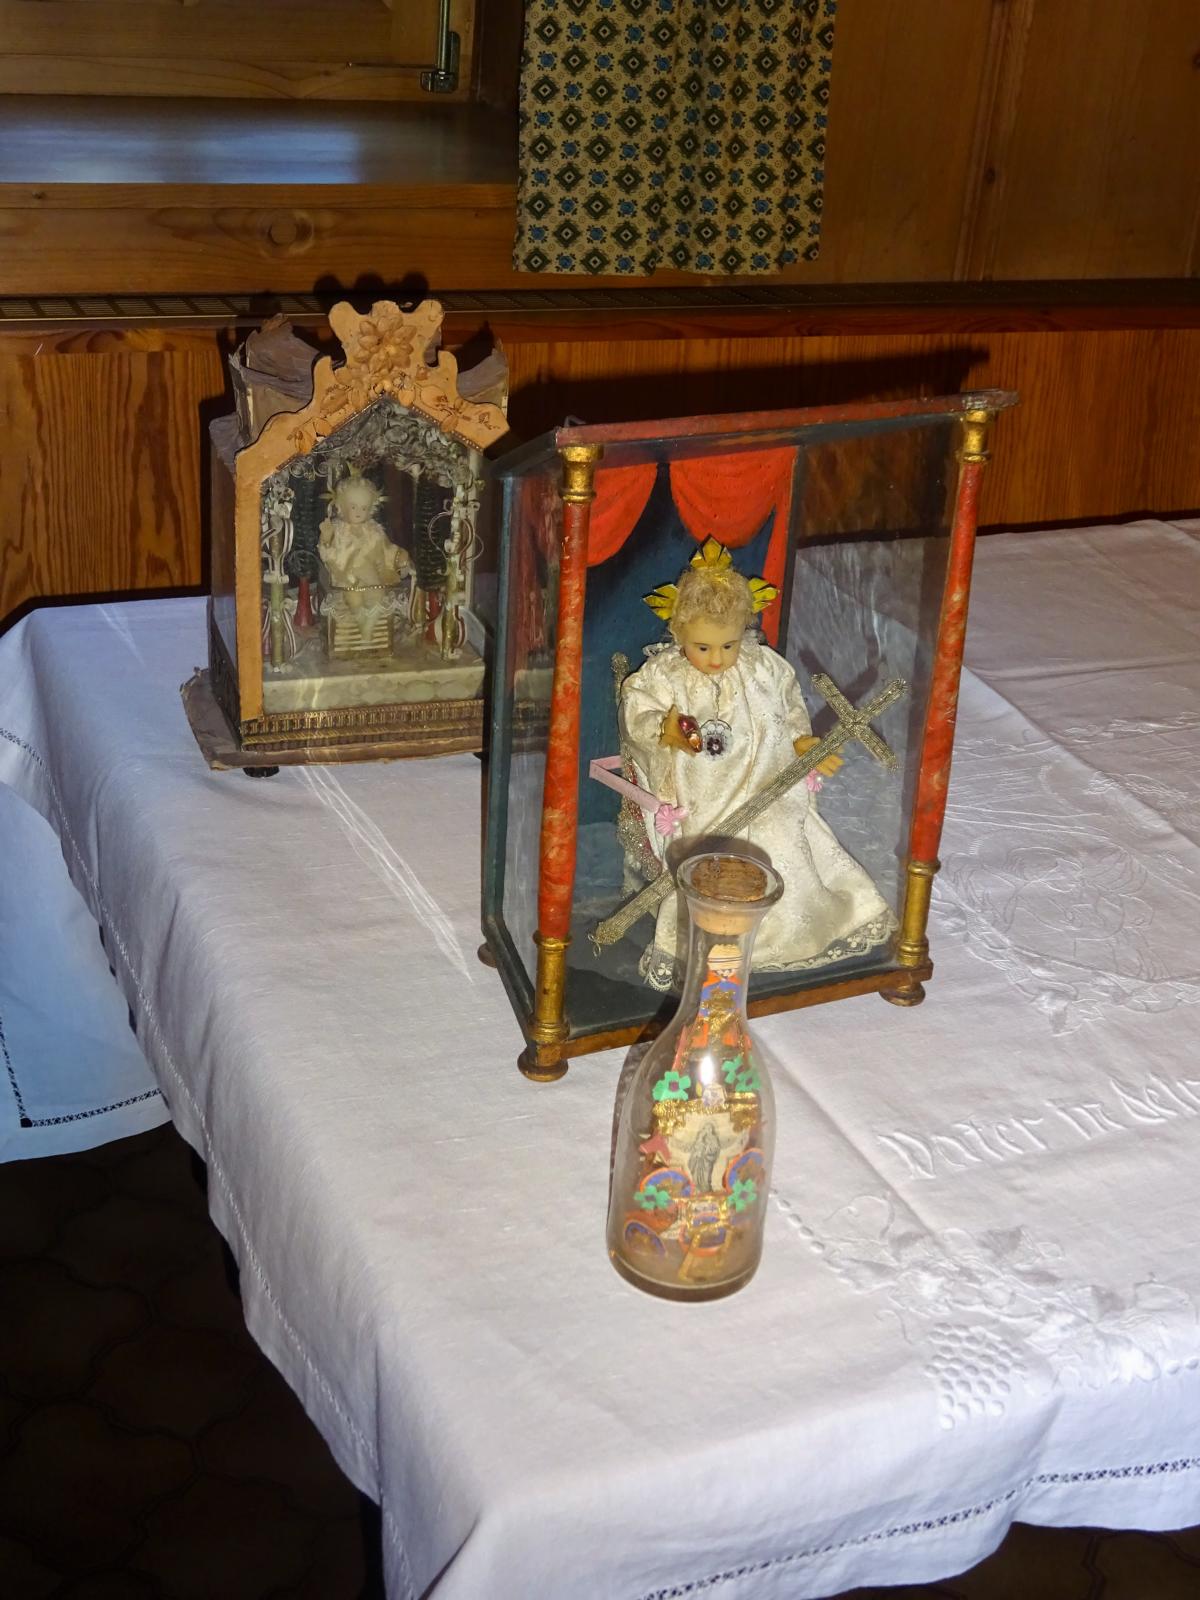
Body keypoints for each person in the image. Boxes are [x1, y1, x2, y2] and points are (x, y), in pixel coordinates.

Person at [619, 542, 894, 990]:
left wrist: (802, 744)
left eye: (728, 644)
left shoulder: (764, 668)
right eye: (703, 646)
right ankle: (715, 932)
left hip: (767, 783)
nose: (716, 658)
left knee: (785, 838)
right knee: (706, 855)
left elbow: (789, 710)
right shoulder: (664, 675)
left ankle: (798, 930)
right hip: (702, 793)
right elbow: (638, 712)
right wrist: (663, 728)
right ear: (679, 633)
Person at [318, 470, 411, 655]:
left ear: (371, 508)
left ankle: (369, 628)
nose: (359, 512)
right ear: (341, 507)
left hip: (370, 576)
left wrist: (400, 557)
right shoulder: (338, 530)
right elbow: (328, 556)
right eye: (353, 507)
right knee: (354, 598)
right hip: (346, 576)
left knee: (378, 595)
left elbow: (387, 549)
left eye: (364, 508)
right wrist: (326, 539)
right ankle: (362, 624)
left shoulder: (375, 531)